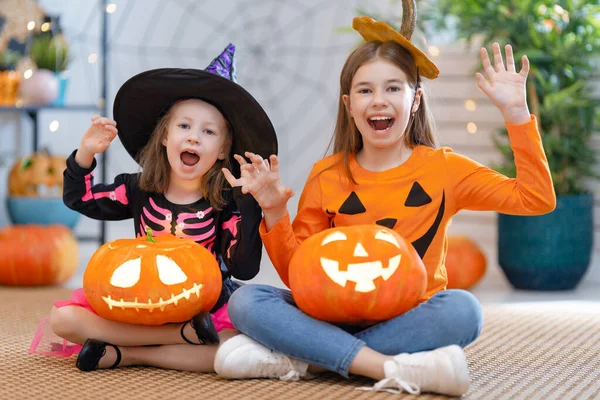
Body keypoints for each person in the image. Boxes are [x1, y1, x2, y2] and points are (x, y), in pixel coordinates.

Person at [214, 15, 556, 396]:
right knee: (247, 300)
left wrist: (516, 115)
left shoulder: (443, 169)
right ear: (348, 104)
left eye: (393, 88)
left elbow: (536, 199)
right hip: (331, 314)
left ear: (415, 100)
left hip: (409, 315)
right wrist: (275, 211)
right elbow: (299, 275)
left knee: (464, 310)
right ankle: (385, 366)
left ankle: (309, 359)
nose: (379, 100)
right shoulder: (326, 175)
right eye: (365, 91)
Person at [29, 44, 278, 373]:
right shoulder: (137, 188)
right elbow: (80, 198)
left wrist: (249, 203)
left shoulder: (226, 203)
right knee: (63, 318)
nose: (194, 138)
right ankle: (177, 338)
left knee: (231, 346)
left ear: (222, 150)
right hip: (138, 300)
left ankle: (130, 353)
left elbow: (244, 268)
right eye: (184, 126)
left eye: (208, 131)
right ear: (164, 136)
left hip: (201, 307)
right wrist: (85, 153)